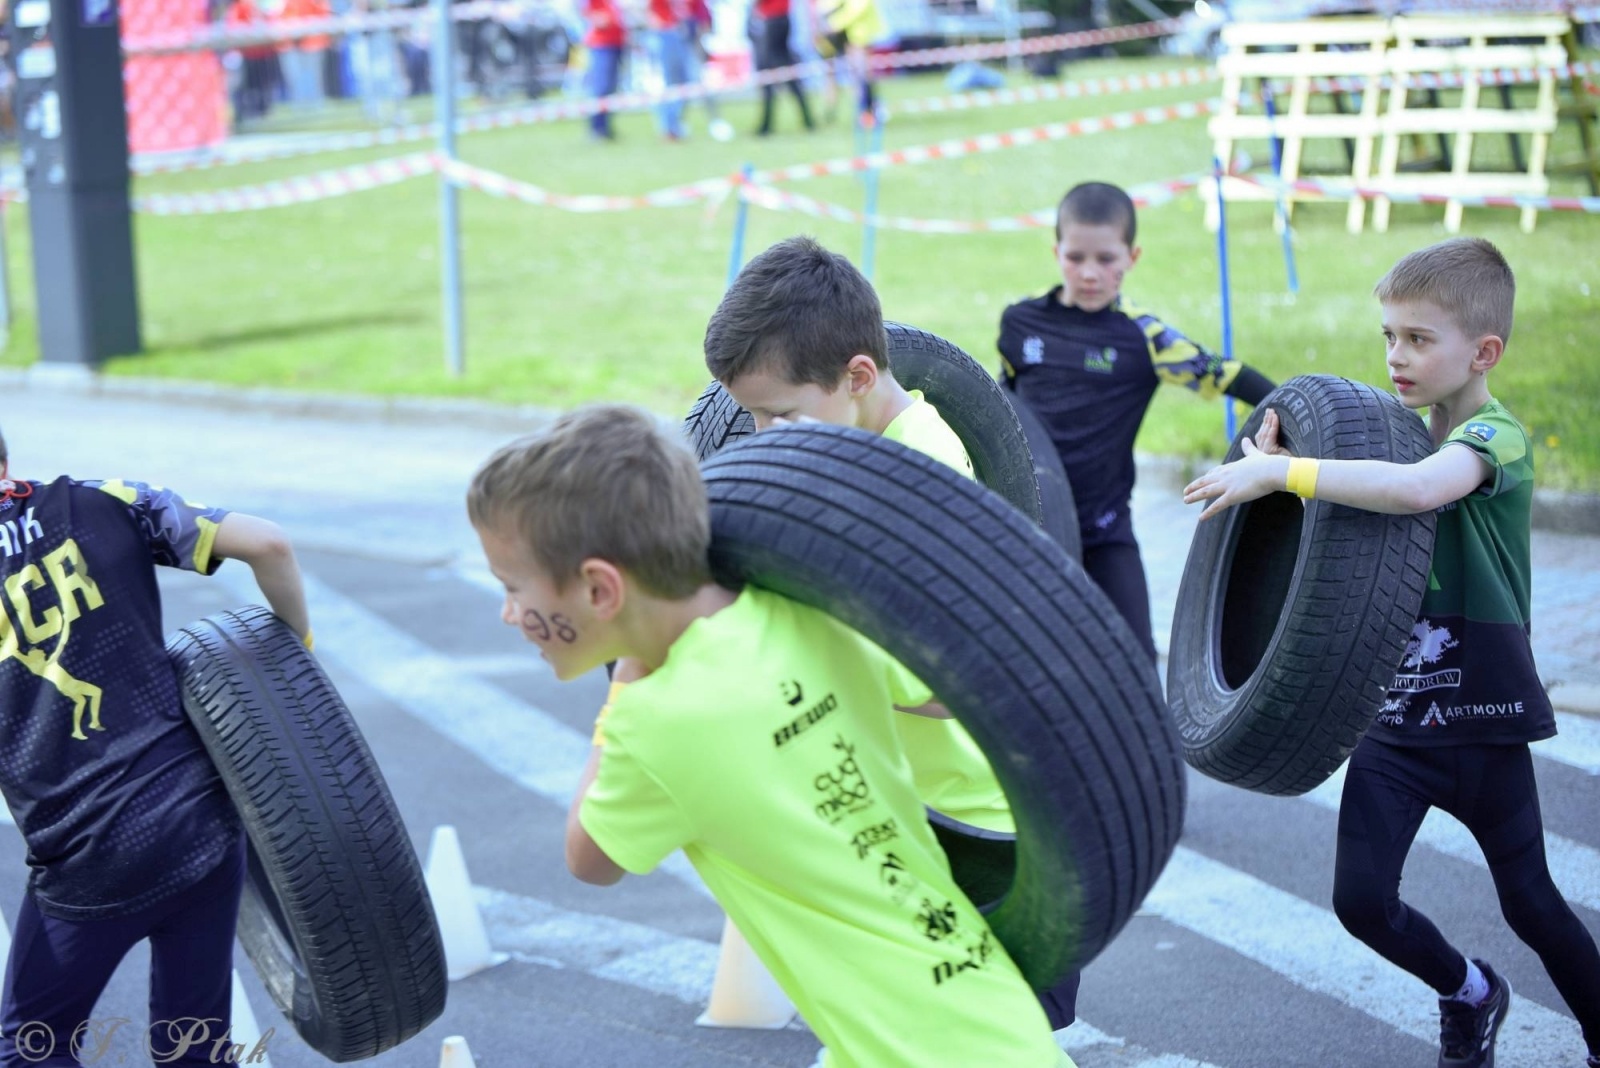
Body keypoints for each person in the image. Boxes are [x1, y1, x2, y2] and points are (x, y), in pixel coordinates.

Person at [468, 405, 1072, 1068]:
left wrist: (627, 679)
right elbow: (944, 697)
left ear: (600, 589)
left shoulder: (655, 721)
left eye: (513, 588)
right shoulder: (806, 609)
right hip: (974, 1004)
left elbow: (589, 860)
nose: (507, 614)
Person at [1183, 237, 1600, 1068]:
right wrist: (1275, 470)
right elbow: (1339, 524)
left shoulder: (1495, 439)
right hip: (1395, 723)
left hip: (1481, 719)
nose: (1395, 356)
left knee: (1531, 902)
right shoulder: (1393, 438)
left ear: (1483, 352)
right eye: (1388, 336)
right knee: (1363, 904)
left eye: (1418, 338)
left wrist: (1286, 475)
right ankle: (1471, 991)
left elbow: (1417, 490)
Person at [702, 234, 1082, 1032]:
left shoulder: (927, 481)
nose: (765, 440)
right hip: (907, 826)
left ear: (859, 377)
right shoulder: (842, 453)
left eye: (781, 415)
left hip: (986, 840)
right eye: (752, 419)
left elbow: (966, 685)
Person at [0, 429, 311, 1067]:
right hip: (202, 816)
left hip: (87, 848)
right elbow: (269, 544)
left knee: (30, 1046)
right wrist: (299, 654)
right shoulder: (101, 498)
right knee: (194, 1048)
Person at [996, 180, 1275, 662]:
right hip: (1028, 525)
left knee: (1136, 662)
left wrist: (1297, 412)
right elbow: (1001, 403)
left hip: (1104, 529)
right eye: (1075, 257)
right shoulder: (1021, 324)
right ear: (1056, 251)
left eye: (1106, 260)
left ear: (1133, 256)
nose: (1088, 273)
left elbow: (1226, 374)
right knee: (1025, 659)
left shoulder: (1146, 339)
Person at [750, 0, 814, 136]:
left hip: (773, 21)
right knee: (786, 71)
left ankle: (766, 125)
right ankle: (807, 119)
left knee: (768, 73)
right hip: (782, 20)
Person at [645, 0, 690, 141]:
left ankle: (674, 125)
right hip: (664, 34)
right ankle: (668, 128)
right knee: (668, 84)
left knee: (681, 84)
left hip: (674, 34)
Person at [582, 0, 626, 141]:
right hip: (601, 45)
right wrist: (607, 19)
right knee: (600, 88)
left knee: (610, 89)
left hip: (615, 44)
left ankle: (606, 128)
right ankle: (596, 129)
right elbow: (590, 15)